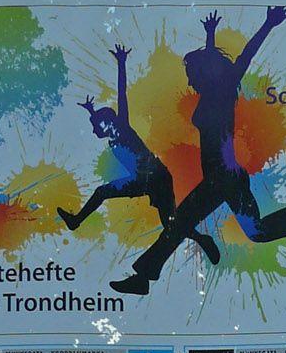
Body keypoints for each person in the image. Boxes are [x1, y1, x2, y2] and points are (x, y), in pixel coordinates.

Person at [109, 7, 286, 295]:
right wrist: (209, 36)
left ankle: (142, 278)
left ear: (205, 73)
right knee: (250, 231)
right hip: (222, 178)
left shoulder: (223, 90)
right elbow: (211, 64)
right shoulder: (211, 93)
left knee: (185, 224)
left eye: (192, 74)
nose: (190, 81)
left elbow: (245, 57)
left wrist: (268, 24)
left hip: (223, 177)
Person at [57, 44, 219, 267]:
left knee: (169, 223)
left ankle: (202, 239)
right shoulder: (113, 135)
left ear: (107, 123)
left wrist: (122, 64)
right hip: (145, 180)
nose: (94, 131)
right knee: (167, 223)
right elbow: (102, 119)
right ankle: (202, 239)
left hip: (156, 177)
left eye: (96, 127)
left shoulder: (122, 127)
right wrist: (92, 111)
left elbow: (121, 95)